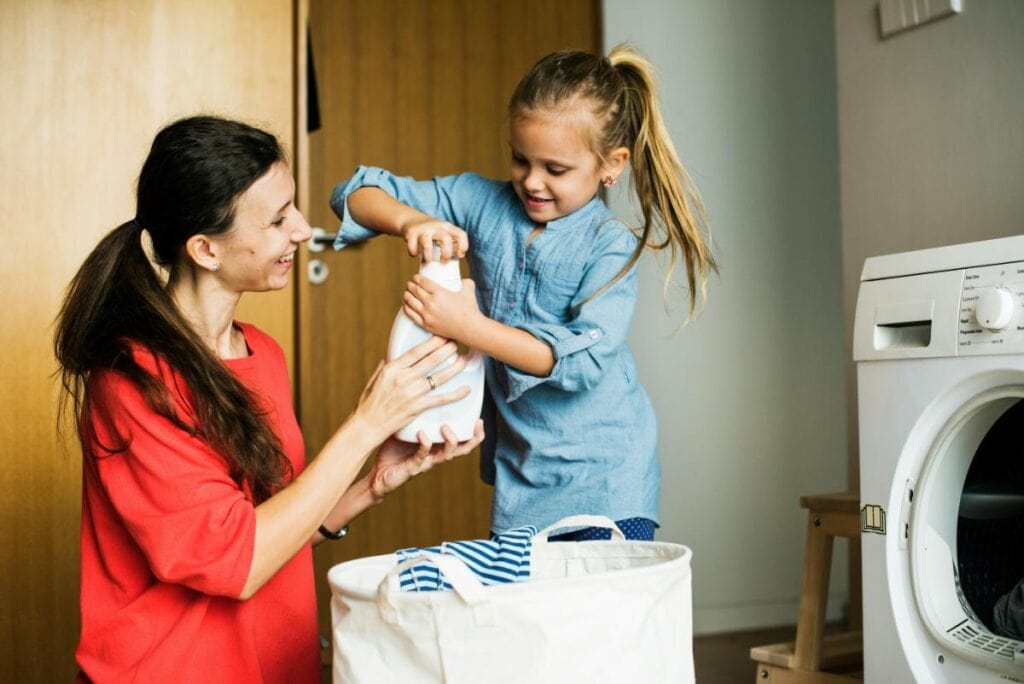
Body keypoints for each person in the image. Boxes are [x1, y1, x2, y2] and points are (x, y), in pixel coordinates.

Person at [53, 115, 484, 683]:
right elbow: (239, 561)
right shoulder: (132, 381)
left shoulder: (261, 353)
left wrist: (367, 489)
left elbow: (270, 523)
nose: (304, 230)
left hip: (274, 665)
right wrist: (366, 423)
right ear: (206, 249)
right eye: (279, 220)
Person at [329, 45, 716, 541]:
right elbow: (354, 193)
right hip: (522, 477)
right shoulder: (480, 201)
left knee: (595, 615)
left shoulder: (609, 245)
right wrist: (412, 219)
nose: (532, 181)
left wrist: (469, 328)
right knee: (527, 615)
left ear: (610, 165)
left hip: (608, 481)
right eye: (520, 159)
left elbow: (581, 362)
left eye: (555, 170)